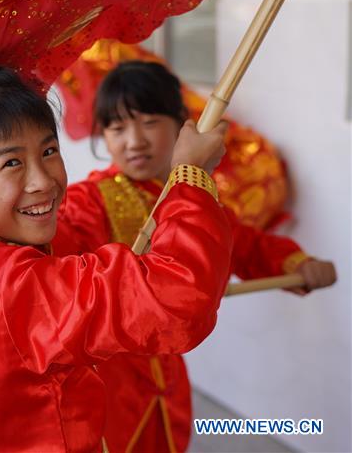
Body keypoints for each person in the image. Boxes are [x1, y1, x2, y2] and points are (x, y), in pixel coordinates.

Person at [0, 66, 234, 452]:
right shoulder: (13, 284)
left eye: (49, 151)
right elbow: (180, 297)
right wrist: (191, 177)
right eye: (12, 163)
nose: (43, 181)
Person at [58, 60, 337, 452]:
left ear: (182, 126)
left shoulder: (194, 197)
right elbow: (57, 254)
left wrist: (298, 264)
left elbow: (243, 243)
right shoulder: (86, 202)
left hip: (167, 378)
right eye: (117, 128)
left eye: (149, 122)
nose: (133, 140)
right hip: (108, 385)